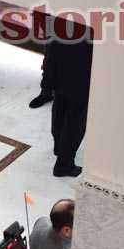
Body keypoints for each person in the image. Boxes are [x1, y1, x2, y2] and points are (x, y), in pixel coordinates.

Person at [40, 28, 93, 177]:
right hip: (81, 71)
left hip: (59, 67)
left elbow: (50, 45)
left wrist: (47, 81)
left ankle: (59, 147)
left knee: (60, 107)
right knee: (76, 119)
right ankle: (64, 164)